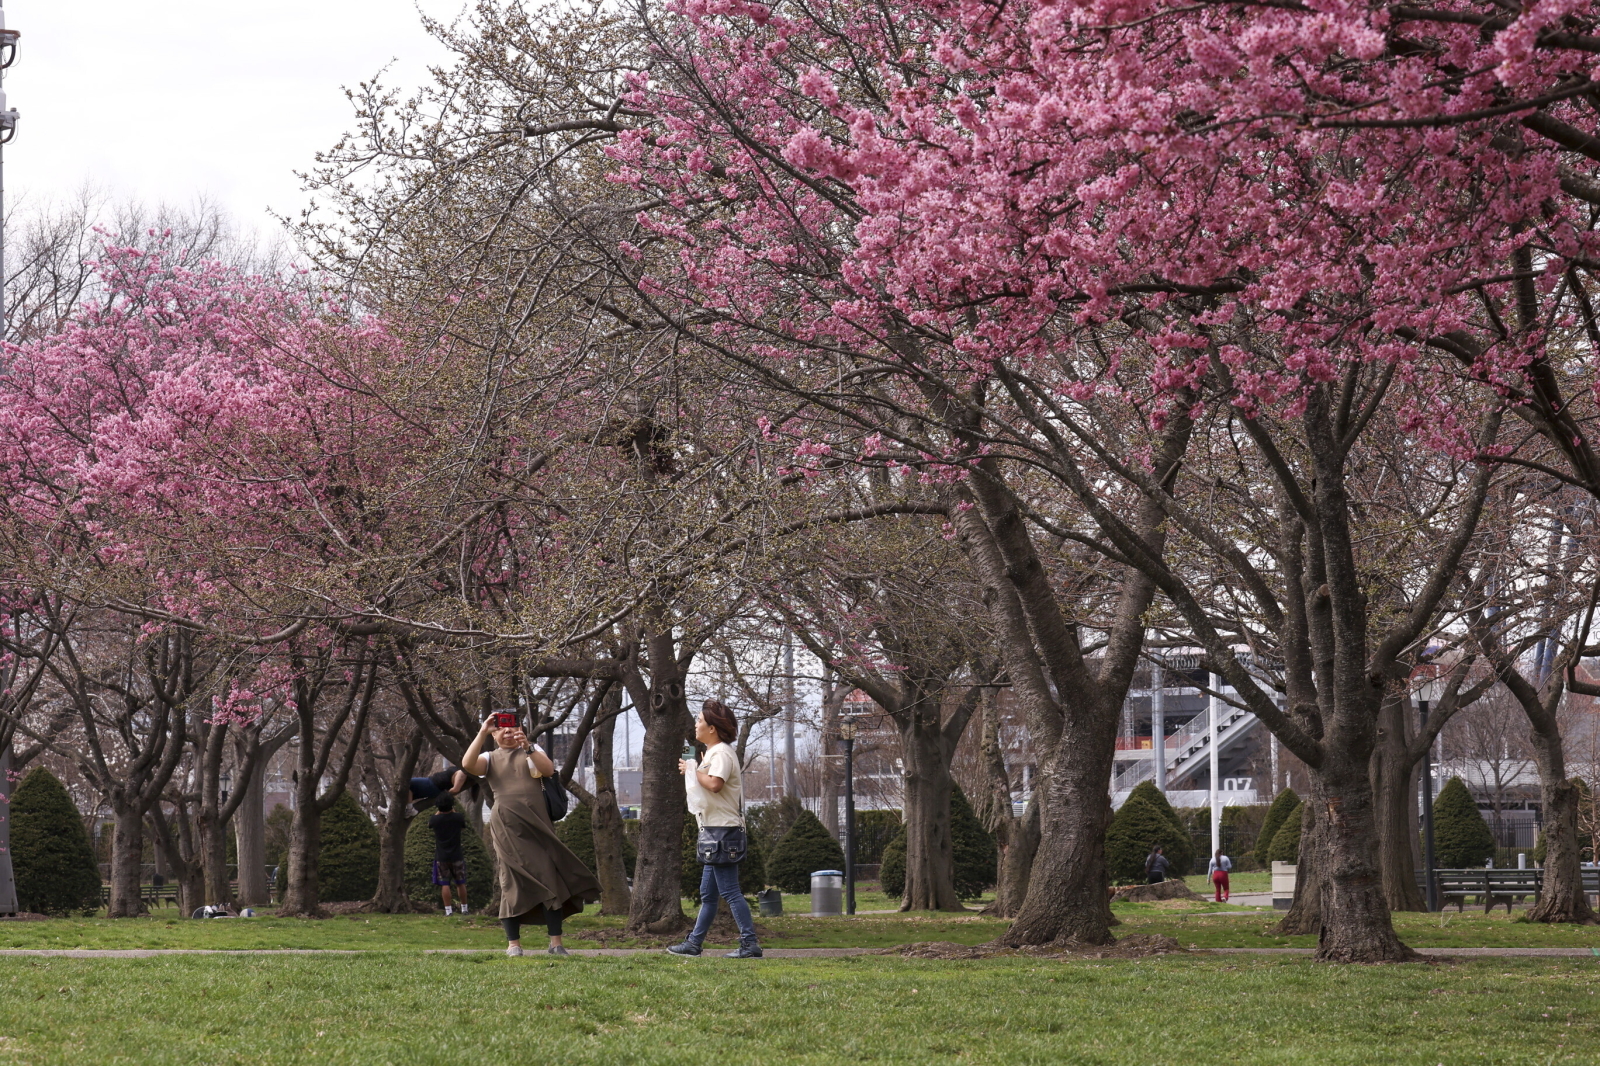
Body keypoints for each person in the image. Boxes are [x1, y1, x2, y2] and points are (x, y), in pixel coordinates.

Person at [462, 716, 599, 957]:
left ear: (522, 731)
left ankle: (556, 943)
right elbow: (468, 764)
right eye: (501, 729)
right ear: (494, 735)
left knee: (549, 877)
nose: (508, 732)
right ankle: (513, 944)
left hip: (538, 823)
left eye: (513, 728)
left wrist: (528, 746)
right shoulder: (489, 758)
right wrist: (482, 731)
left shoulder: (532, 751)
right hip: (506, 826)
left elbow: (547, 770)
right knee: (511, 882)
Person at [668, 700, 762, 959]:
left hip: (722, 832)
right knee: (708, 894)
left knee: (730, 891)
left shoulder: (720, 752)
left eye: (699, 721)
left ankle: (749, 943)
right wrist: (692, 770)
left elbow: (714, 784)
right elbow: (705, 780)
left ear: (712, 728)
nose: (695, 725)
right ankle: (694, 943)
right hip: (714, 831)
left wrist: (693, 770)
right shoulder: (712, 752)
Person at [429, 795, 471, 915]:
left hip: (441, 857)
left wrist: (439, 811)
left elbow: (430, 824)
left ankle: (448, 911)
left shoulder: (434, 820)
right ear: (452, 805)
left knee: (445, 884)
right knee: (460, 882)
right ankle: (464, 909)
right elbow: (462, 827)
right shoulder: (458, 817)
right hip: (457, 855)